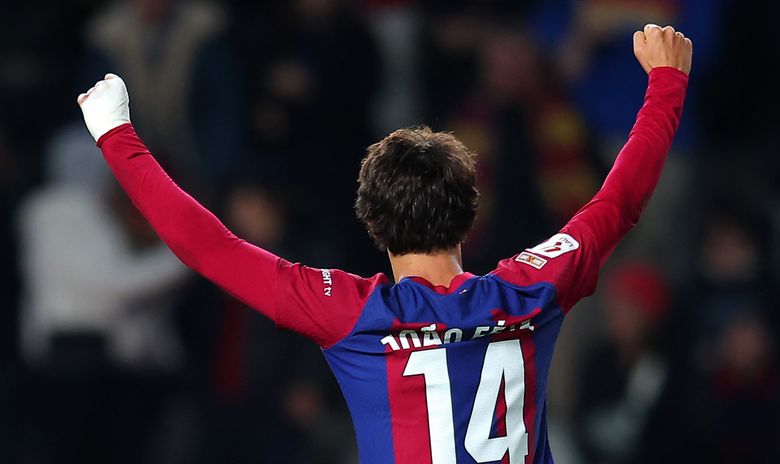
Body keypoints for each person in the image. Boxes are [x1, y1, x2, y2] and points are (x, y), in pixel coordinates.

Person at [77, 24, 691, 464]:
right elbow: (620, 201)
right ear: (469, 214)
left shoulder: (351, 312)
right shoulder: (532, 292)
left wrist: (116, 134)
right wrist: (665, 82)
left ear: (371, 222)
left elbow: (206, 245)